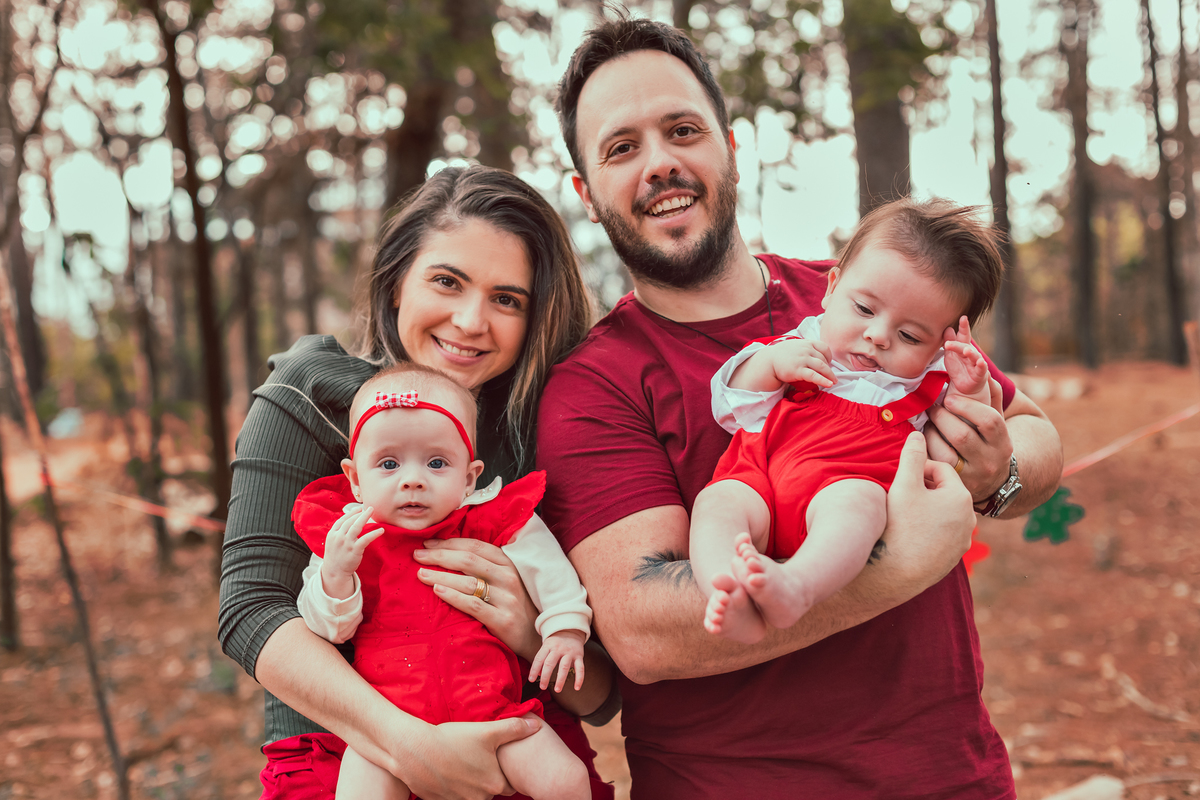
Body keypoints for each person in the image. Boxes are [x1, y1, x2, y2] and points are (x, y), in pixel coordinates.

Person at [537, 14, 1063, 799]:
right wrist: (900, 566)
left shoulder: (867, 299)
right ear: (587, 192)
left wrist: (999, 474)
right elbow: (644, 632)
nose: (660, 164)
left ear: (730, 145)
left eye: (683, 130)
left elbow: (1036, 438)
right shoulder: (594, 385)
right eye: (621, 148)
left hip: (947, 776)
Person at [218, 165, 617, 800]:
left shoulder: (551, 422)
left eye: (506, 299)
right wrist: (412, 748)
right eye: (446, 281)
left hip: (516, 740)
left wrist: (524, 626)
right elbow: (250, 612)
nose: (469, 320)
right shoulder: (310, 391)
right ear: (397, 282)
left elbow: (600, 692)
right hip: (341, 745)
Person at [693, 198, 1000, 643]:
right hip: (758, 477)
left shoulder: (927, 380)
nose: (877, 336)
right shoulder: (802, 346)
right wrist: (771, 365)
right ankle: (727, 589)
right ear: (832, 287)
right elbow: (729, 404)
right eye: (864, 310)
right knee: (717, 505)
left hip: (843, 486)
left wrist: (970, 388)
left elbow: (966, 435)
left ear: (939, 346)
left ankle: (797, 585)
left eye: (910, 335)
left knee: (861, 506)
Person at [293, 364, 591, 800]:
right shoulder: (347, 539)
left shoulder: (493, 521)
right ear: (355, 479)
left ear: (469, 478)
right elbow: (330, 630)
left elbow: (551, 573)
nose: (412, 479)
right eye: (388, 463)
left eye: (436, 463)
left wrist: (564, 629)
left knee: (566, 780)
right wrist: (335, 575)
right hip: (390, 727)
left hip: (493, 714)